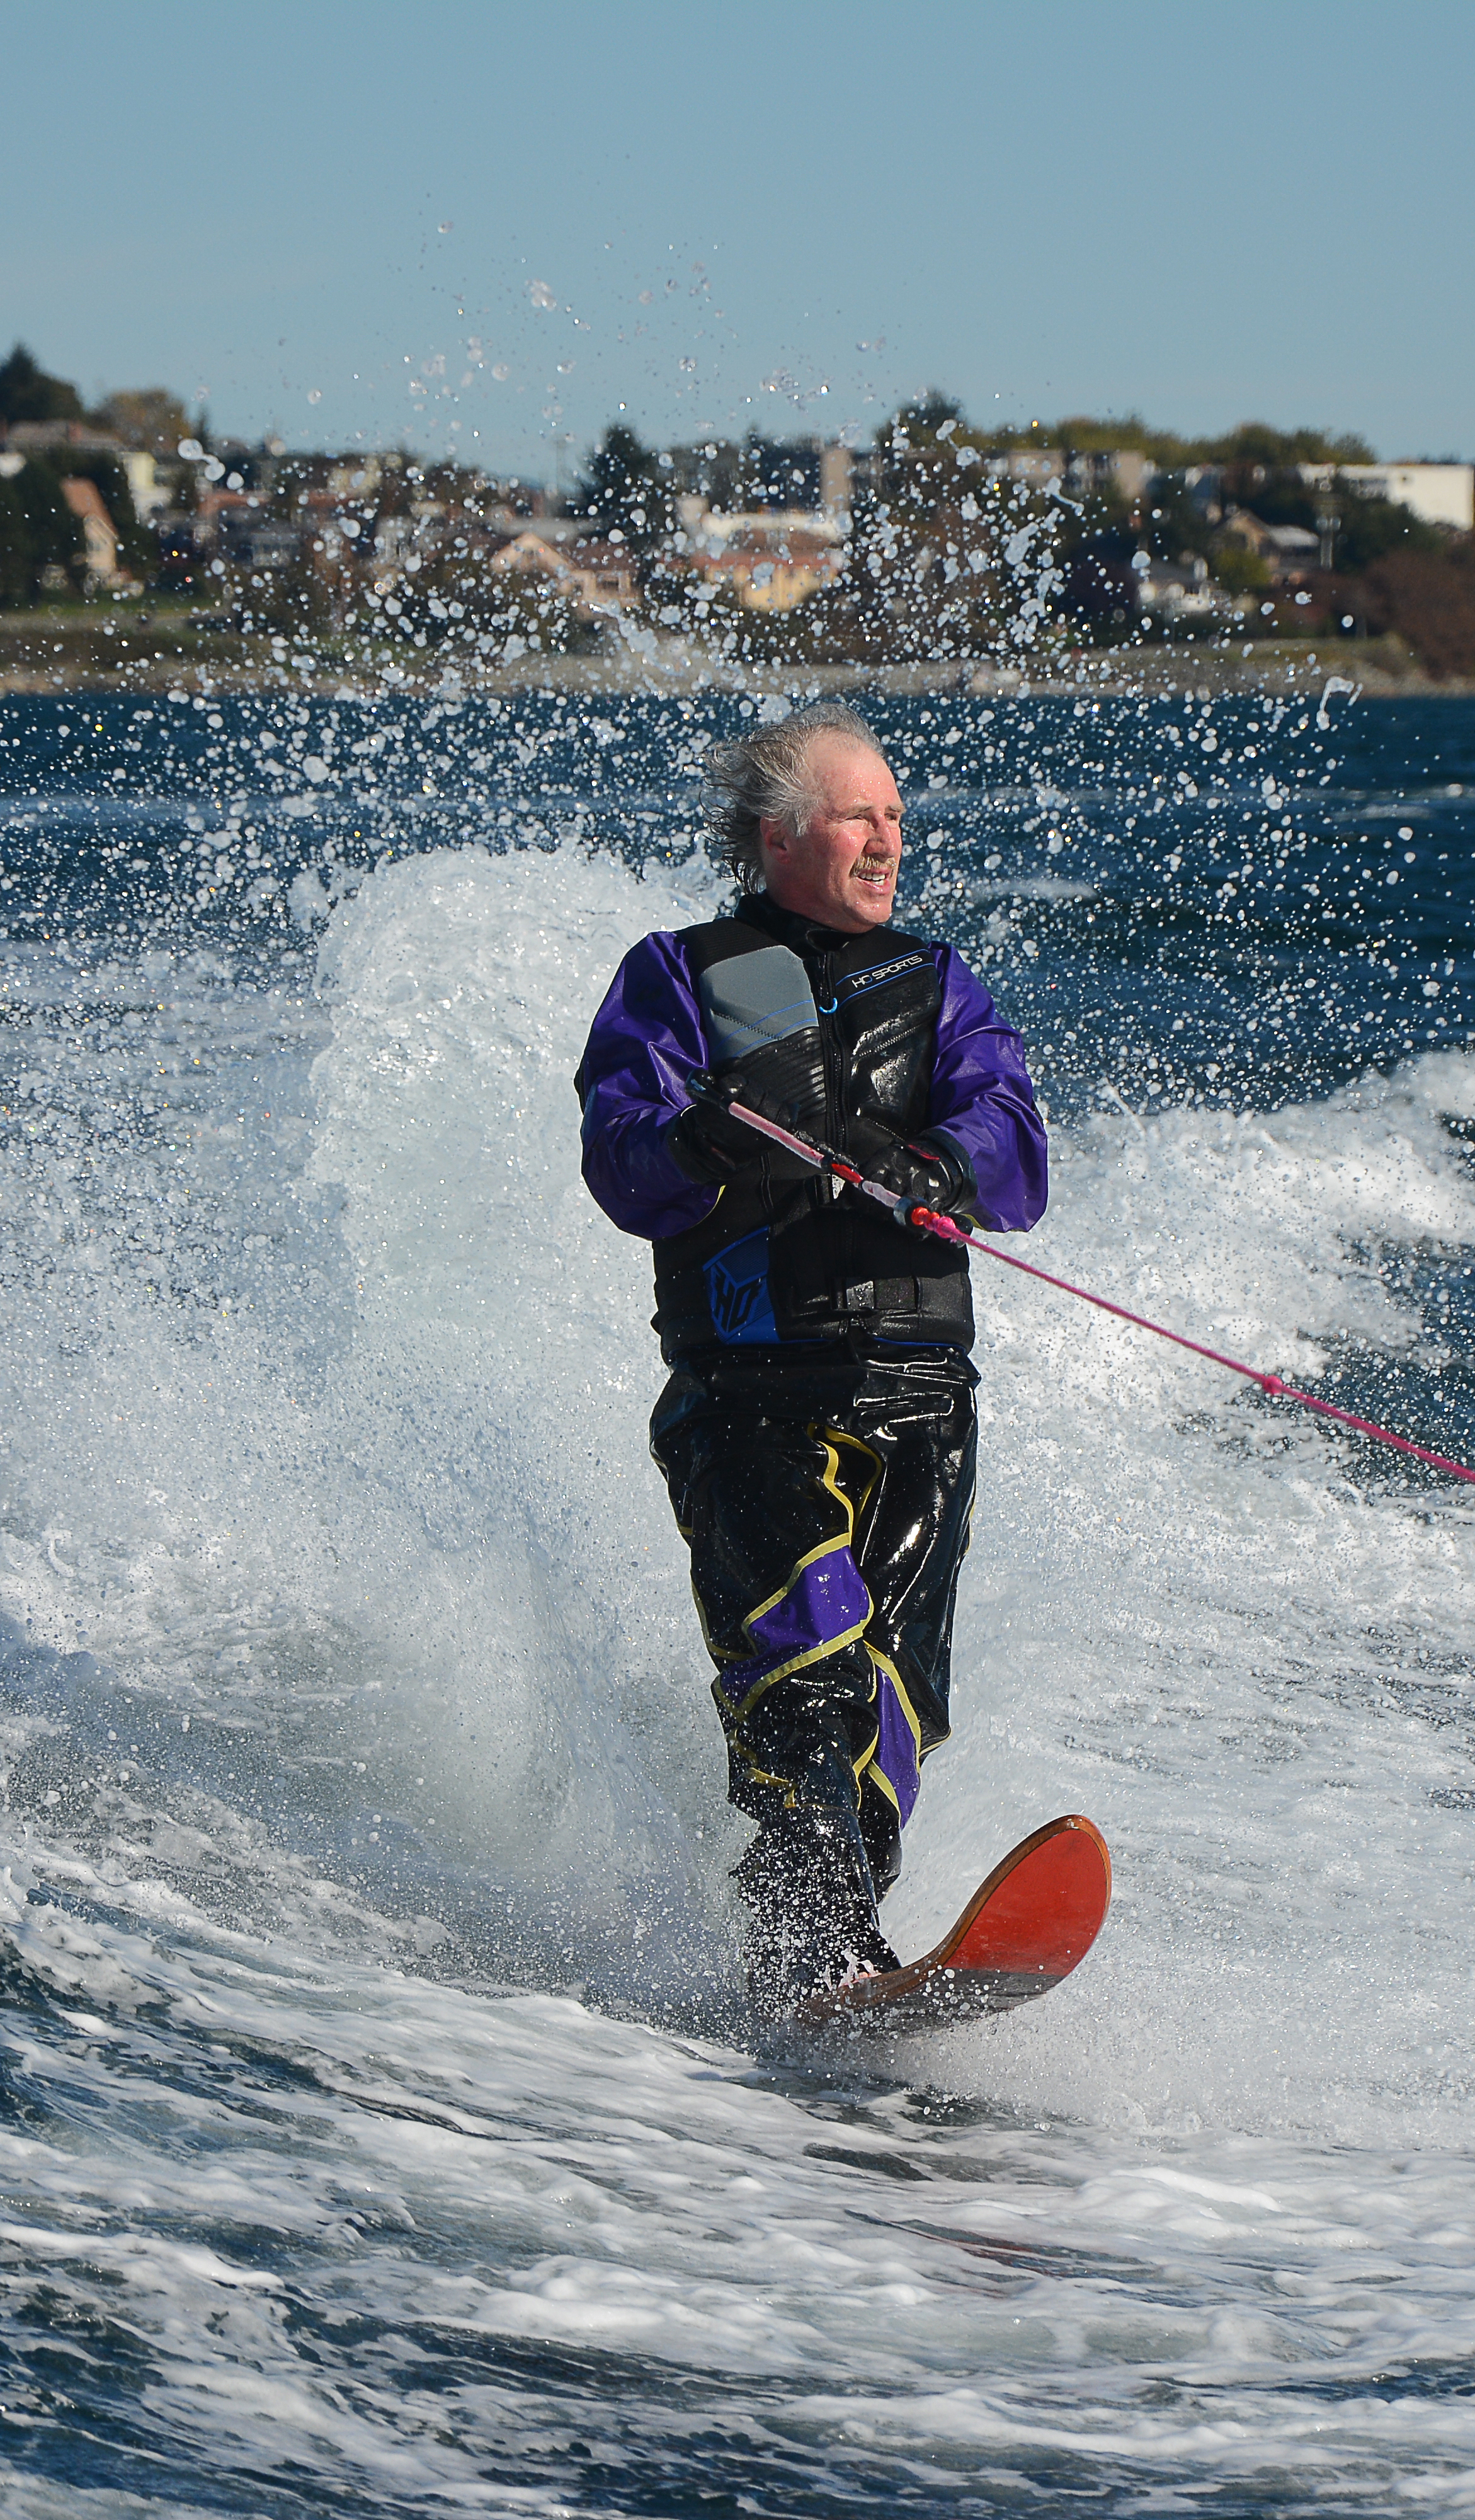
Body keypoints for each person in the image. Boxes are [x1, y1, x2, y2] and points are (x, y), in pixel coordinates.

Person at [574, 705, 1048, 2013]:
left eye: (898, 815)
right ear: (782, 833)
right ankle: (824, 1940)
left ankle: (813, 1952)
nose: (890, 837)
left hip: (917, 1397)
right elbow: (622, 1152)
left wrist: (935, 1163)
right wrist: (708, 1146)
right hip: (749, 1395)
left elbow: (1014, 1140)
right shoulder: (675, 978)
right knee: (802, 1660)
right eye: (861, 815)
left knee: (888, 1704)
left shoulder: (943, 988)